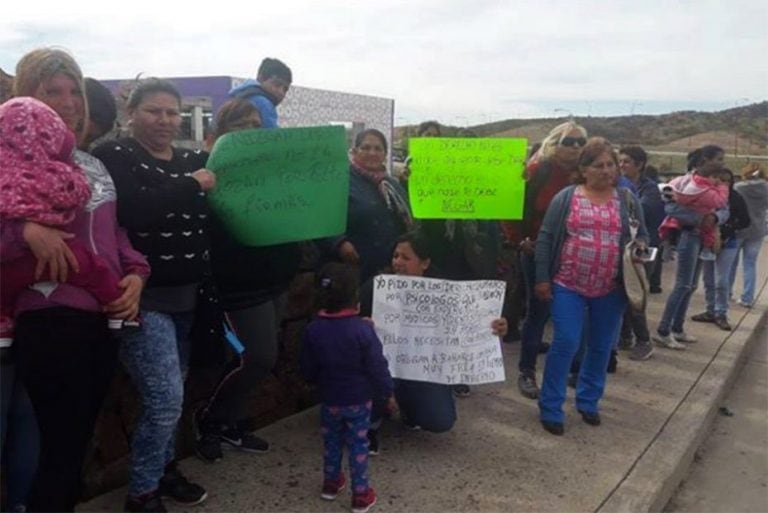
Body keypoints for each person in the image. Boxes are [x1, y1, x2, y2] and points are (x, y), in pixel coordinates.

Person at [5, 47, 149, 512]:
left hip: (101, 319)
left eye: (74, 91)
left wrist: (137, 273)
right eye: (52, 91)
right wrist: (21, 230)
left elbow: (115, 230)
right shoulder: (8, 162)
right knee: (59, 448)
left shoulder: (92, 164)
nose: (68, 102)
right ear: (26, 96)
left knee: (72, 442)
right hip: (45, 318)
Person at [93, 78, 215, 512]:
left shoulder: (191, 159)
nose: (164, 120)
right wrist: (193, 185)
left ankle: (164, 471)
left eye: (171, 112)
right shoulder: (115, 155)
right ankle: (142, 493)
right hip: (141, 301)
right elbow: (131, 208)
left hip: (188, 299)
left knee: (173, 393)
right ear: (132, 114)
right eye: (154, 111)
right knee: (166, 399)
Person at [195, 98, 301, 462]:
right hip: (238, 285)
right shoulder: (206, 170)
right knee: (258, 358)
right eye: (241, 125)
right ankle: (209, 419)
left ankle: (232, 423)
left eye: (257, 125)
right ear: (223, 132)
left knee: (251, 357)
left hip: (275, 277)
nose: (251, 131)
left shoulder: (273, 168)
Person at [535, 138, 648, 435]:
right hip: (568, 285)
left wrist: (640, 255)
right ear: (583, 169)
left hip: (610, 289)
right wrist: (542, 278)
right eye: (599, 165)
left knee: (600, 347)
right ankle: (550, 406)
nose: (607, 170)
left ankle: (588, 401)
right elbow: (546, 238)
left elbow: (645, 238)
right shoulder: (566, 198)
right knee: (567, 342)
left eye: (611, 164)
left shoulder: (627, 199)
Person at [358, 232, 507, 439]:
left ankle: (409, 409)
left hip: (422, 369)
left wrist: (495, 328)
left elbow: (469, 327)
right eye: (395, 256)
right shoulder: (377, 287)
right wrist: (361, 327)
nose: (398, 262)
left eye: (406, 258)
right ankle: (374, 416)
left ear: (425, 263)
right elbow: (347, 326)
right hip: (380, 370)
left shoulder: (444, 293)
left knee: (440, 420)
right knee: (368, 401)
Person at [301, 262, 394, 513]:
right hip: (359, 401)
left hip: (329, 400)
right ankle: (361, 495)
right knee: (358, 445)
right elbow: (377, 365)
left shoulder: (312, 330)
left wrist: (315, 381)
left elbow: (308, 368)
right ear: (355, 298)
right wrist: (387, 393)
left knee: (331, 442)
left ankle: (330, 485)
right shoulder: (363, 330)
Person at [513, 121, 588, 400]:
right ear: (555, 142)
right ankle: (527, 371)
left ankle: (575, 369)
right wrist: (520, 241)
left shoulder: (584, 173)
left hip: (576, 253)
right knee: (538, 311)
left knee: (576, 311)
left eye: (580, 142)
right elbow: (512, 206)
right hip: (538, 251)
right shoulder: (538, 169)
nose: (576, 147)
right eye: (569, 141)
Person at [653, 145, 728, 351]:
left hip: (704, 237)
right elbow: (670, 207)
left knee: (691, 285)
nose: (722, 163)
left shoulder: (717, 184)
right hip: (688, 236)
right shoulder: (682, 182)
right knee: (682, 285)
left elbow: (724, 210)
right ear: (704, 159)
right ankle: (663, 330)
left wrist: (714, 218)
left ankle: (677, 328)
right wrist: (698, 220)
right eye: (719, 159)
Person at [336, 129, 413, 283]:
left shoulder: (392, 185)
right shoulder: (340, 180)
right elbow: (321, 217)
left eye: (378, 148)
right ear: (354, 151)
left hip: (390, 271)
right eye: (366, 147)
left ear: (385, 154)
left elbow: (408, 218)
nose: (372, 153)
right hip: (355, 269)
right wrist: (338, 243)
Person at [617, 146, 665, 361]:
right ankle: (625, 337)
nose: (621, 165)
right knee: (623, 294)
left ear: (639, 165)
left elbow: (641, 214)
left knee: (635, 296)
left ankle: (644, 340)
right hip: (624, 249)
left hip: (642, 250)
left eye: (626, 161)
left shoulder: (650, 189)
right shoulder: (620, 186)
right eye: (620, 161)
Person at [690, 168, 750, 330]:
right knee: (708, 279)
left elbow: (745, 220)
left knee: (721, 280)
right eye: (720, 180)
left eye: (727, 181)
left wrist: (728, 230)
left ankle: (721, 312)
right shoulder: (707, 197)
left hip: (728, 242)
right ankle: (710, 310)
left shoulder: (735, 198)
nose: (723, 184)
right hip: (708, 242)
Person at [658, 161, 729, 262]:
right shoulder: (706, 192)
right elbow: (720, 202)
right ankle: (706, 250)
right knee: (686, 276)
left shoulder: (689, 183)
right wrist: (723, 188)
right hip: (695, 229)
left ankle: (670, 244)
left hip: (685, 225)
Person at [731, 162, 768, 308]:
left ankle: (726, 292)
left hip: (738, 229)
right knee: (750, 264)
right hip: (758, 230)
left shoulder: (739, 187)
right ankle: (747, 298)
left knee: (731, 263)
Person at [228, 57, 292, 128]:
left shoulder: (240, 97)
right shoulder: (263, 103)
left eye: (285, 89)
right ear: (260, 78)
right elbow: (271, 134)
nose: (281, 92)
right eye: (277, 85)